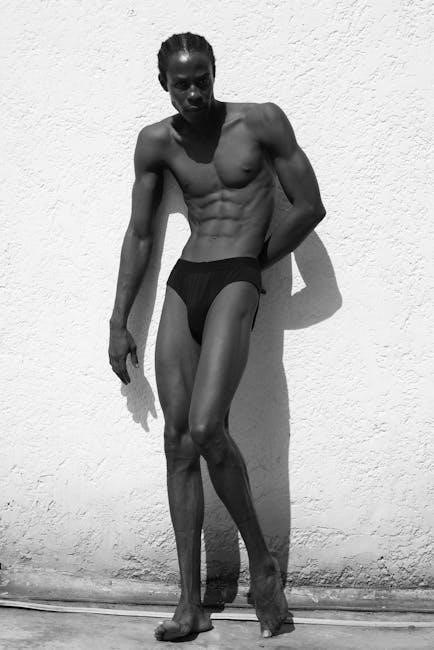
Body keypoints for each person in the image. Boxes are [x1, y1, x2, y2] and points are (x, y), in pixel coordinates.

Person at [109, 32, 326, 642]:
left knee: (207, 427)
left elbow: (309, 206)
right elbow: (141, 233)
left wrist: (255, 264)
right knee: (177, 441)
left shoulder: (261, 122)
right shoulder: (156, 142)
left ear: (213, 72)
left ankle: (262, 566)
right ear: (165, 84)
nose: (195, 91)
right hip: (187, 278)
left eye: (202, 78)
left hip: (237, 274)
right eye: (182, 83)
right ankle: (190, 605)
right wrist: (119, 320)